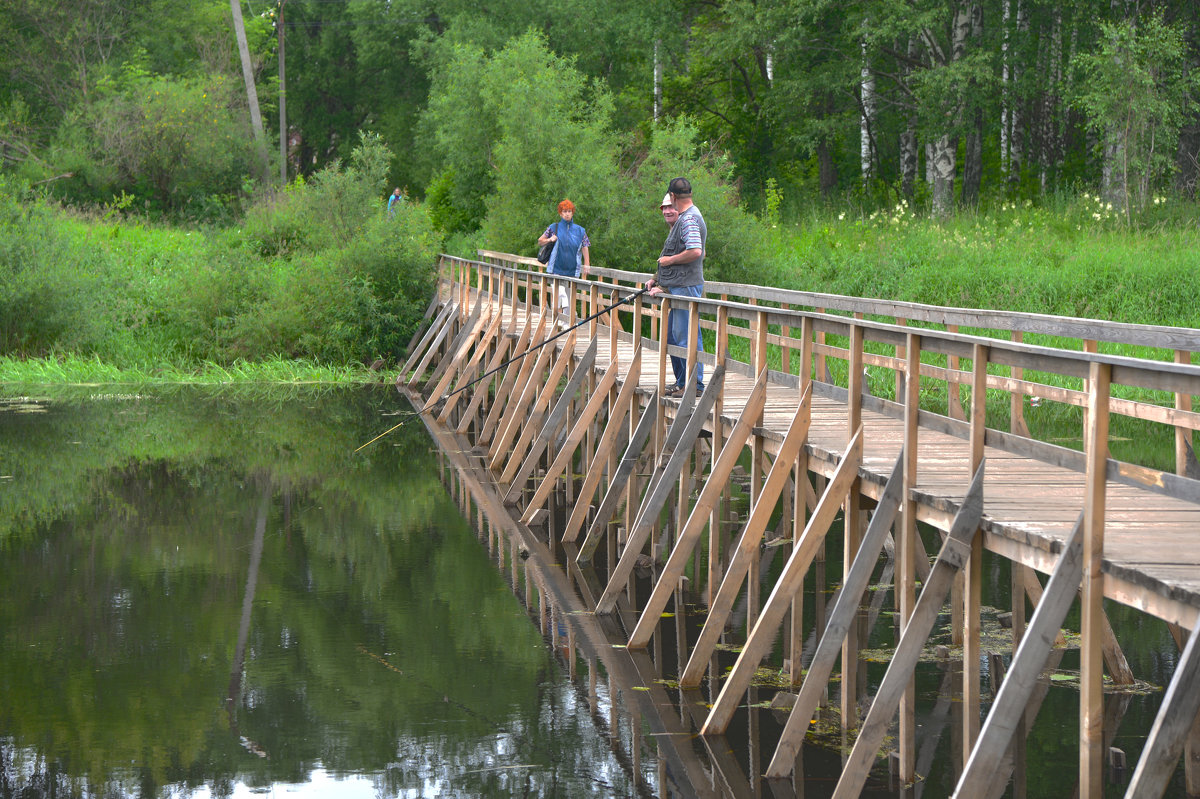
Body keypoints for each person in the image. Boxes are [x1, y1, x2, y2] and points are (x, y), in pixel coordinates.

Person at [647, 178, 706, 398]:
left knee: (686, 337)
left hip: (687, 286)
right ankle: (683, 383)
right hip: (680, 286)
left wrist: (669, 261)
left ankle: (695, 385)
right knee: (675, 337)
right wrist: (659, 279)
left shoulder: (689, 219)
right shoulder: (688, 218)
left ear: (672, 196)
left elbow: (695, 251)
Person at [537, 199, 590, 320]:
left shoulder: (580, 230)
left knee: (570, 299)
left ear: (572, 213)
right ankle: (557, 321)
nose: (567, 213)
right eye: (564, 211)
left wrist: (587, 263)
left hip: (573, 269)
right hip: (555, 267)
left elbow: (585, 246)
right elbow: (540, 241)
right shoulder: (553, 227)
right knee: (559, 293)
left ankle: (567, 323)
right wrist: (550, 240)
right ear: (560, 213)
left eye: (569, 211)